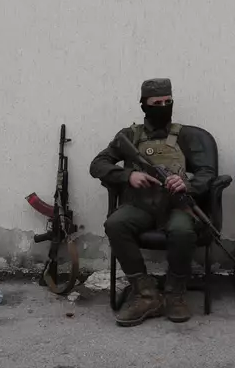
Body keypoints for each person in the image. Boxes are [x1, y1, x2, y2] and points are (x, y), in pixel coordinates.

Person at [89, 78, 216, 326]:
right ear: (144, 105)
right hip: (141, 205)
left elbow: (207, 173)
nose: (163, 106)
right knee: (115, 223)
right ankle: (145, 293)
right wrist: (129, 175)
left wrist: (186, 185)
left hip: (177, 206)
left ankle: (174, 292)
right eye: (156, 102)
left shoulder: (186, 136)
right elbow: (98, 165)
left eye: (167, 102)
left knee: (182, 230)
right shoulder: (129, 136)